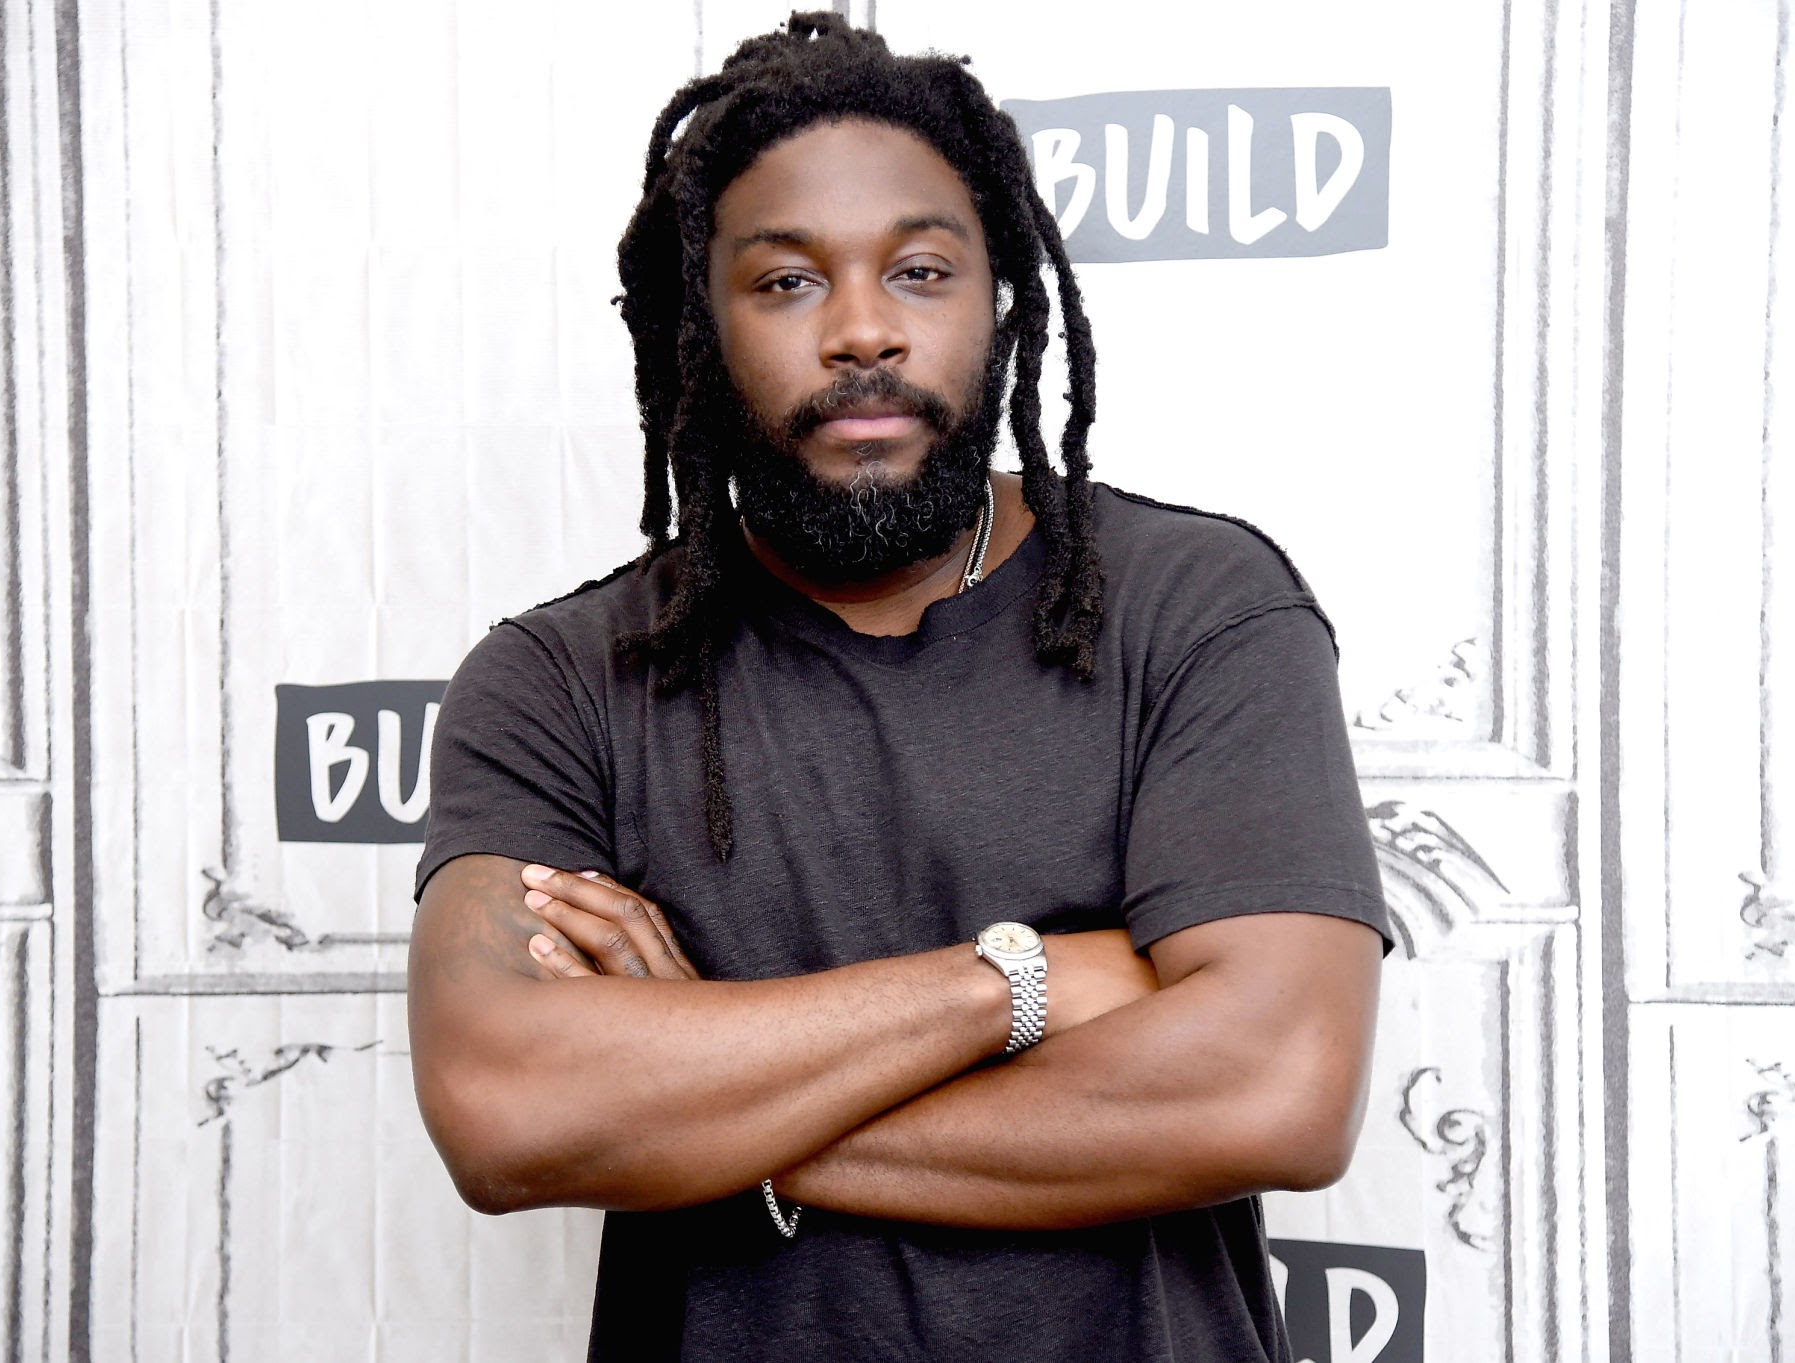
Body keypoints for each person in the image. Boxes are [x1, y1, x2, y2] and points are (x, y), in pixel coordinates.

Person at [407, 13, 1391, 1361]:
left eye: (920, 271)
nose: (863, 331)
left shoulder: (1199, 609)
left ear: (995, 300)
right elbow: (507, 1108)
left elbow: (1275, 1091)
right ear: (702, 323)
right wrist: (1022, 982)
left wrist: (711, 1105)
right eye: (787, 282)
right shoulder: (562, 684)